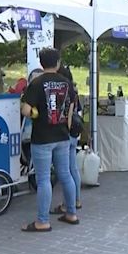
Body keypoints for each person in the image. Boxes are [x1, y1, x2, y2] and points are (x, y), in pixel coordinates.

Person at [21, 48, 78, 232]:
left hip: (42, 138)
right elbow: (70, 111)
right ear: (58, 63)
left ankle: (43, 221)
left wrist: (34, 113)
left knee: (44, 179)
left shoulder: (37, 83)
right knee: (65, 175)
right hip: (62, 136)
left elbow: (25, 110)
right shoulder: (68, 84)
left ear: (41, 63)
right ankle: (71, 213)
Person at [50, 65, 82, 214]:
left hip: (65, 133)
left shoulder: (60, 92)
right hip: (75, 133)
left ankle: (67, 204)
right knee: (73, 168)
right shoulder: (74, 92)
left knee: (65, 172)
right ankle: (77, 200)